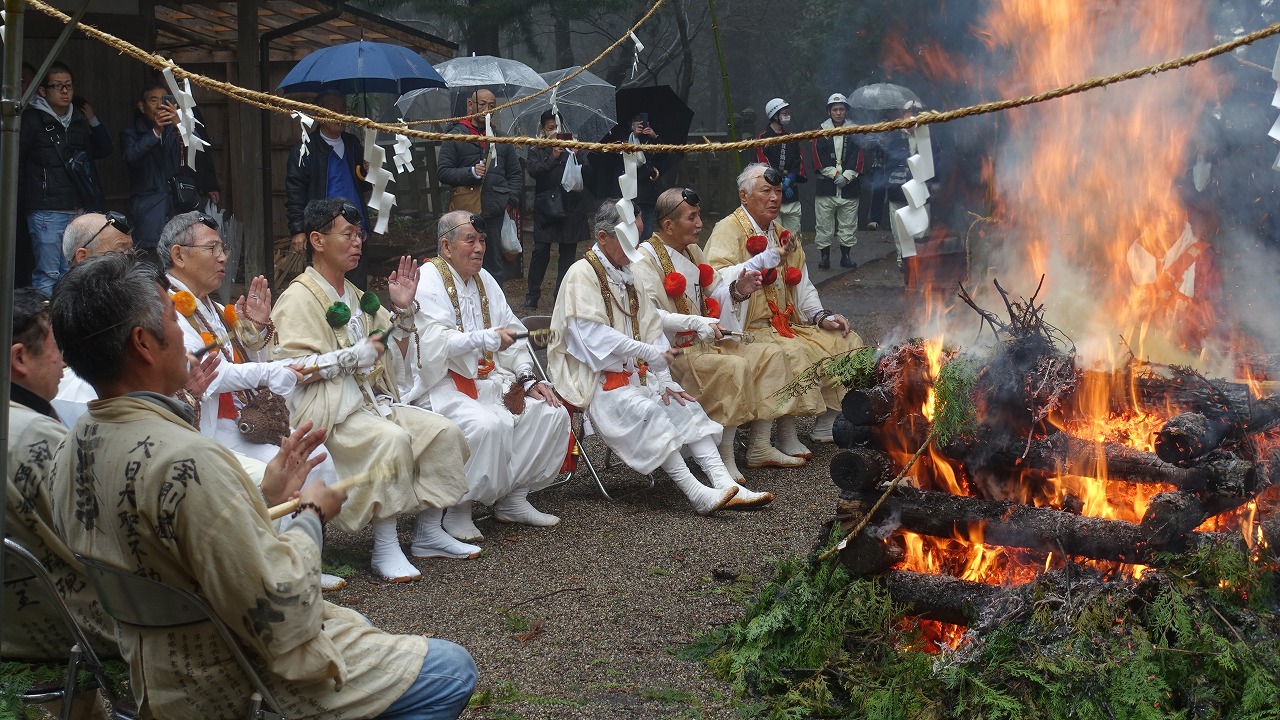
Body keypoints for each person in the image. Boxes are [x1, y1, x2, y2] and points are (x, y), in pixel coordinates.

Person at [47, 253, 477, 719]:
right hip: (233, 675)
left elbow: (175, 543)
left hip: (154, 669)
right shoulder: (188, 458)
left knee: (367, 628)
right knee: (452, 670)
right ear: (144, 344)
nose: (184, 339)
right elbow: (282, 607)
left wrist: (267, 496)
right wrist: (311, 517)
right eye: (173, 320)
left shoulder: (69, 448)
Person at [271, 198, 472, 581]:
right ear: (316, 239)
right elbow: (292, 371)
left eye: (359, 234)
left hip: (371, 402)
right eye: (347, 234)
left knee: (442, 432)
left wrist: (403, 311)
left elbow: (394, 353)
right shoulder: (297, 297)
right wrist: (351, 357)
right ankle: (385, 546)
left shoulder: (358, 294)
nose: (358, 242)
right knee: (392, 439)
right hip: (331, 411)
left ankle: (429, 533)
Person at [548, 200, 741, 516]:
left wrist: (664, 379)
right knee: (648, 411)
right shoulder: (581, 273)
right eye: (626, 239)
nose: (634, 247)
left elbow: (651, 327)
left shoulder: (629, 270)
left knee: (682, 403)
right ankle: (696, 493)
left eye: (637, 237)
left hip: (638, 376)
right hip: (598, 383)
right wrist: (648, 353)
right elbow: (593, 337)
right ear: (602, 237)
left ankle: (724, 484)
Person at [406, 210, 572, 541]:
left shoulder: (487, 280)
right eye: (471, 240)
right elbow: (434, 342)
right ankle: (458, 509)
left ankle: (514, 499)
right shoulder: (427, 279)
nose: (480, 247)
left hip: (491, 382)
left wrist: (526, 378)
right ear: (446, 245)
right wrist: (485, 338)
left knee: (551, 413)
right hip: (444, 387)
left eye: (482, 240)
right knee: (487, 425)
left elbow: (512, 332)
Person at [633, 187, 803, 502]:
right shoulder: (646, 258)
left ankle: (760, 445)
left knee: (773, 353)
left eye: (699, 216)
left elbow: (714, 294)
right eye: (692, 217)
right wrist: (696, 325)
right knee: (735, 366)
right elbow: (648, 316)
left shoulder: (694, 252)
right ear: (668, 226)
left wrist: (738, 290)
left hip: (709, 341)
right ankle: (725, 456)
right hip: (676, 352)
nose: (700, 224)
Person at [704, 163, 863, 456]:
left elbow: (803, 286)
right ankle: (766, 443)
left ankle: (826, 423)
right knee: (791, 353)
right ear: (744, 196)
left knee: (846, 341)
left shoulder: (784, 235)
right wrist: (754, 266)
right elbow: (712, 282)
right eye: (766, 191)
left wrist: (821, 316)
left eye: (777, 191)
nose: (775, 197)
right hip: (746, 328)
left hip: (786, 324)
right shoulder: (727, 229)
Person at [5, 288, 117, 674]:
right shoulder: (34, 434)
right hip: (71, 624)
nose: (64, 362)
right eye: (56, 347)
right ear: (20, 357)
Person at [19, 61, 113, 296]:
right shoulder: (30, 120)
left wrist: (93, 119)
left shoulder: (79, 120)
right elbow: (16, 162)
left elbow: (100, 151)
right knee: (48, 274)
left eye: (68, 86)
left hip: (77, 207)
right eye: (57, 86)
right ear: (43, 91)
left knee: (73, 272)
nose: (64, 91)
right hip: (45, 209)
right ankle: (48, 330)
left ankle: (67, 328)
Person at [437, 89, 524, 287]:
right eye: (482, 104)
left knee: (494, 266)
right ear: (470, 105)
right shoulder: (457, 135)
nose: (487, 109)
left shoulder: (502, 139)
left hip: (495, 211)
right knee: (462, 262)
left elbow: (514, 174)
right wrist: (470, 173)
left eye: (492, 105)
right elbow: (443, 172)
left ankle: (494, 312)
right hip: (465, 213)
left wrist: (509, 201)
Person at [121, 82, 220, 254]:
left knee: (184, 253)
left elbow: (199, 150)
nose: (160, 105)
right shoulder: (131, 134)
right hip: (150, 208)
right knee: (152, 261)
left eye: (164, 100)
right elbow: (131, 157)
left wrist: (181, 126)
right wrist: (155, 132)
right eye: (154, 100)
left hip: (180, 205)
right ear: (142, 107)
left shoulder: (177, 130)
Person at [285, 90, 370, 289]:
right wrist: (297, 230)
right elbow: (295, 190)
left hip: (356, 227)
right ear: (319, 115)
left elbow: (363, 185)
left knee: (357, 286)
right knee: (326, 285)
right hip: (325, 231)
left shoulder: (352, 144)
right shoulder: (305, 149)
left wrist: (368, 172)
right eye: (333, 110)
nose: (340, 115)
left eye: (343, 110)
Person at [525, 110, 592, 309]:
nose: (554, 132)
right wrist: (553, 156)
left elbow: (588, 173)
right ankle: (532, 294)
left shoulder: (573, 145)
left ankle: (561, 294)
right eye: (550, 128)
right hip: (547, 206)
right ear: (543, 129)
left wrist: (578, 155)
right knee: (540, 251)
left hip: (571, 207)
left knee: (568, 254)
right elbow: (534, 171)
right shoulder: (537, 147)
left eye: (557, 127)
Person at [811, 93, 863, 269]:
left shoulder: (855, 131)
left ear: (846, 111)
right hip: (826, 186)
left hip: (849, 185)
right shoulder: (821, 131)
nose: (839, 113)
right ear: (829, 111)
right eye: (835, 109)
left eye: (841, 109)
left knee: (848, 223)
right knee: (824, 223)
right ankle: (825, 257)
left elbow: (859, 156)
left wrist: (847, 176)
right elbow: (818, 157)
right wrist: (834, 174)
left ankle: (845, 257)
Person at [757, 98, 807, 237]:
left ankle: (795, 259)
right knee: (774, 236)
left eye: (787, 113)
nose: (787, 116)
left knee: (794, 235)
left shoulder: (791, 136)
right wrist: (780, 182)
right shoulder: (764, 137)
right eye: (784, 113)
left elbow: (798, 159)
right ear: (774, 116)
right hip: (771, 195)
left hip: (792, 195)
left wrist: (790, 179)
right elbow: (763, 163)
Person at [626, 112, 678, 241]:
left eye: (642, 120)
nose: (640, 124)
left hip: (649, 190)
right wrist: (633, 136)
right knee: (632, 229)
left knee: (647, 230)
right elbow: (625, 159)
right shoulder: (625, 139)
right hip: (632, 190)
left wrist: (655, 137)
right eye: (636, 121)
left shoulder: (650, 139)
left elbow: (663, 157)